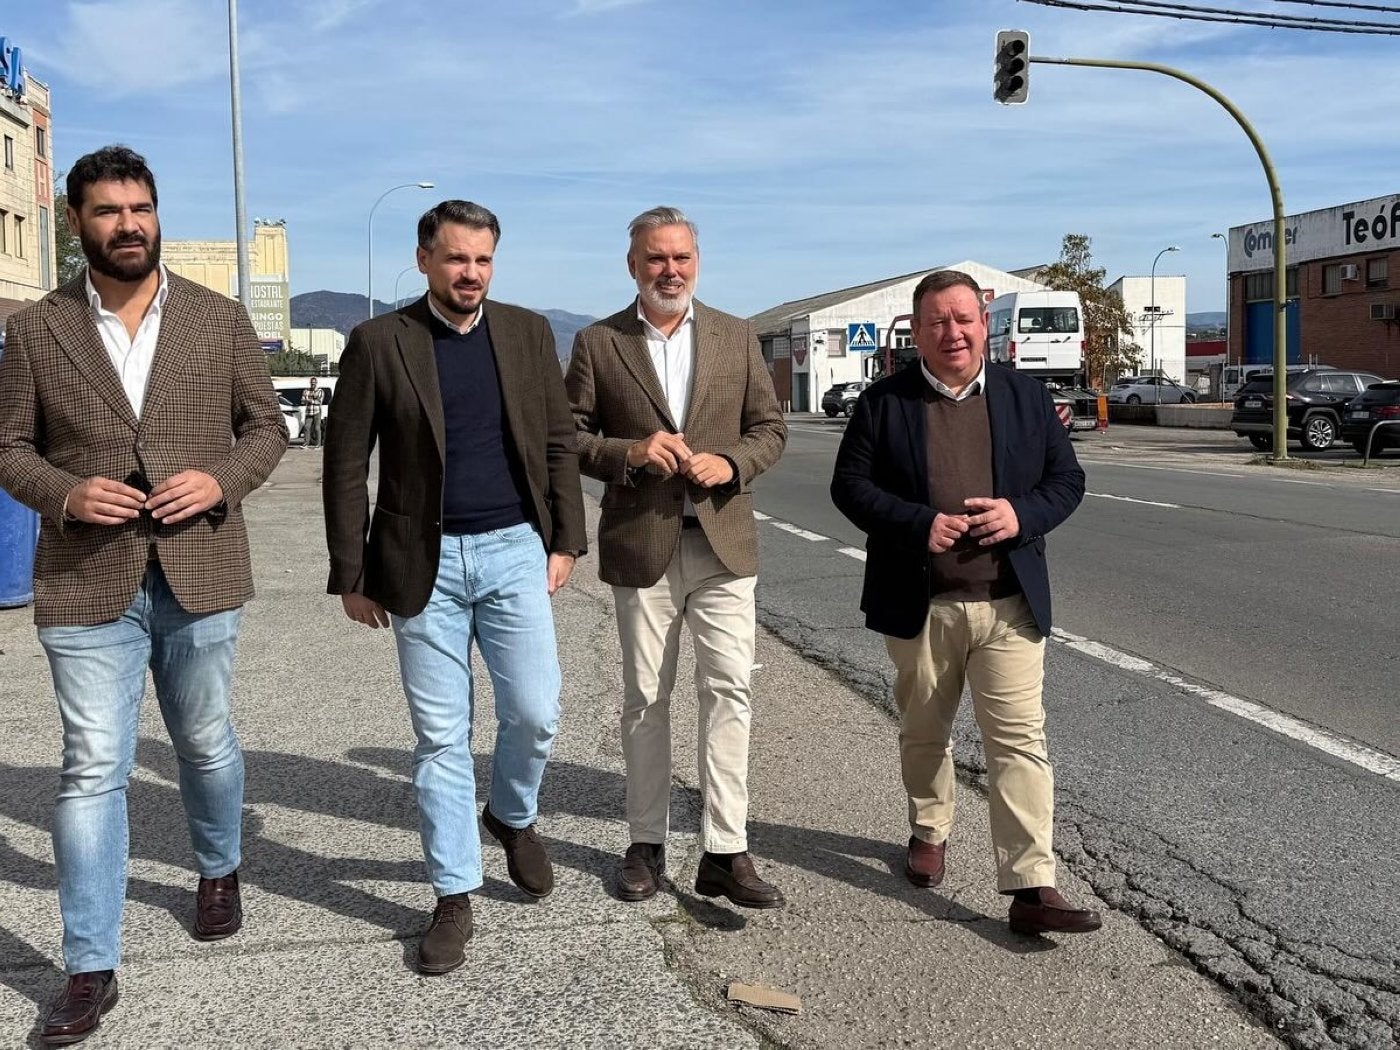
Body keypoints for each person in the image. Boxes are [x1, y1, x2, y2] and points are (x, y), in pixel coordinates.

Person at [0, 144, 287, 1045]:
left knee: (204, 742)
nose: (129, 224)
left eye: (141, 208)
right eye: (107, 211)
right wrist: (65, 492)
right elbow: (9, 447)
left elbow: (267, 429)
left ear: (157, 214)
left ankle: (218, 867)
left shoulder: (217, 316)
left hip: (199, 567)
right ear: (75, 223)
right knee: (93, 768)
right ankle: (90, 964)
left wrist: (220, 481)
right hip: (86, 578)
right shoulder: (38, 329)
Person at [323, 200, 586, 976]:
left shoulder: (527, 332)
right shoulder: (378, 342)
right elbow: (345, 464)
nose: (470, 273)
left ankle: (511, 815)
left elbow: (557, 441)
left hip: (513, 550)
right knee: (441, 739)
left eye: (483, 260)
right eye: (456, 259)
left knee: (536, 711)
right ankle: (452, 894)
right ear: (424, 259)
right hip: (418, 561)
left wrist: (567, 538)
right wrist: (352, 572)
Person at [830, 269, 1101, 936]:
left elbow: (1066, 479)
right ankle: (930, 827)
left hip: (1008, 600)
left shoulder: (1025, 398)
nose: (951, 332)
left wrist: (1022, 515)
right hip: (921, 604)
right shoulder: (884, 402)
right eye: (936, 322)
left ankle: (1031, 884)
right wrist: (917, 523)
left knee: (1019, 742)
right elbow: (849, 487)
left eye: (963, 319)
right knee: (925, 731)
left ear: (984, 324)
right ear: (916, 332)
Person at [565, 206, 787, 909]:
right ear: (633, 266)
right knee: (644, 701)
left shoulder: (735, 335)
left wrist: (732, 462)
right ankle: (645, 844)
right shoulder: (599, 343)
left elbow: (770, 429)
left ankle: (726, 849)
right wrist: (629, 454)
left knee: (729, 693)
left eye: (681, 258)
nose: (670, 270)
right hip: (644, 546)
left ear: (698, 261)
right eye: (656, 258)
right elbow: (567, 436)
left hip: (723, 546)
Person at [302, 375, 324, 448]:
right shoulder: (306, 391)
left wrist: (308, 400)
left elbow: (319, 402)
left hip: (317, 411)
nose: (313, 384)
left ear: (316, 383)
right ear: (310, 383)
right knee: (306, 427)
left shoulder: (320, 391)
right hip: (308, 411)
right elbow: (302, 401)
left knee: (317, 428)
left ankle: (318, 444)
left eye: (314, 383)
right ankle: (306, 443)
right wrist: (312, 400)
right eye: (312, 383)